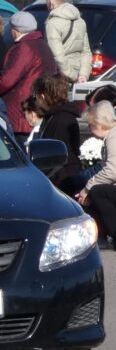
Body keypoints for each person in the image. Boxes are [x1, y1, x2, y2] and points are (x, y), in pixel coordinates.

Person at [0, 11, 57, 143]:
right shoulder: (43, 45)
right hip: (40, 107)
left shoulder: (23, 48)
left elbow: (6, 80)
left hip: (20, 111)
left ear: (15, 30)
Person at [33, 73, 83, 195]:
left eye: (36, 96)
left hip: (62, 178)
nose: (35, 100)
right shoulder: (54, 115)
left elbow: (52, 155)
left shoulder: (61, 119)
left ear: (43, 96)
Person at [76, 100, 116, 248]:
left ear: (100, 123)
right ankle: (101, 234)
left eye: (91, 124)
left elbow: (112, 170)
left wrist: (88, 187)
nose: (89, 128)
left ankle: (111, 234)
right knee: (93, 190)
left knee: (97, 191)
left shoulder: (113, 137)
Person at [44, 0, 92, 83]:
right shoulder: (80, 21)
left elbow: (58, 56)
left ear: (50, 2)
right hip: (79, 72)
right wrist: (83, 75)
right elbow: (86, 52)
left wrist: (73, 76)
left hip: (61, 77)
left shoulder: (52, 23)